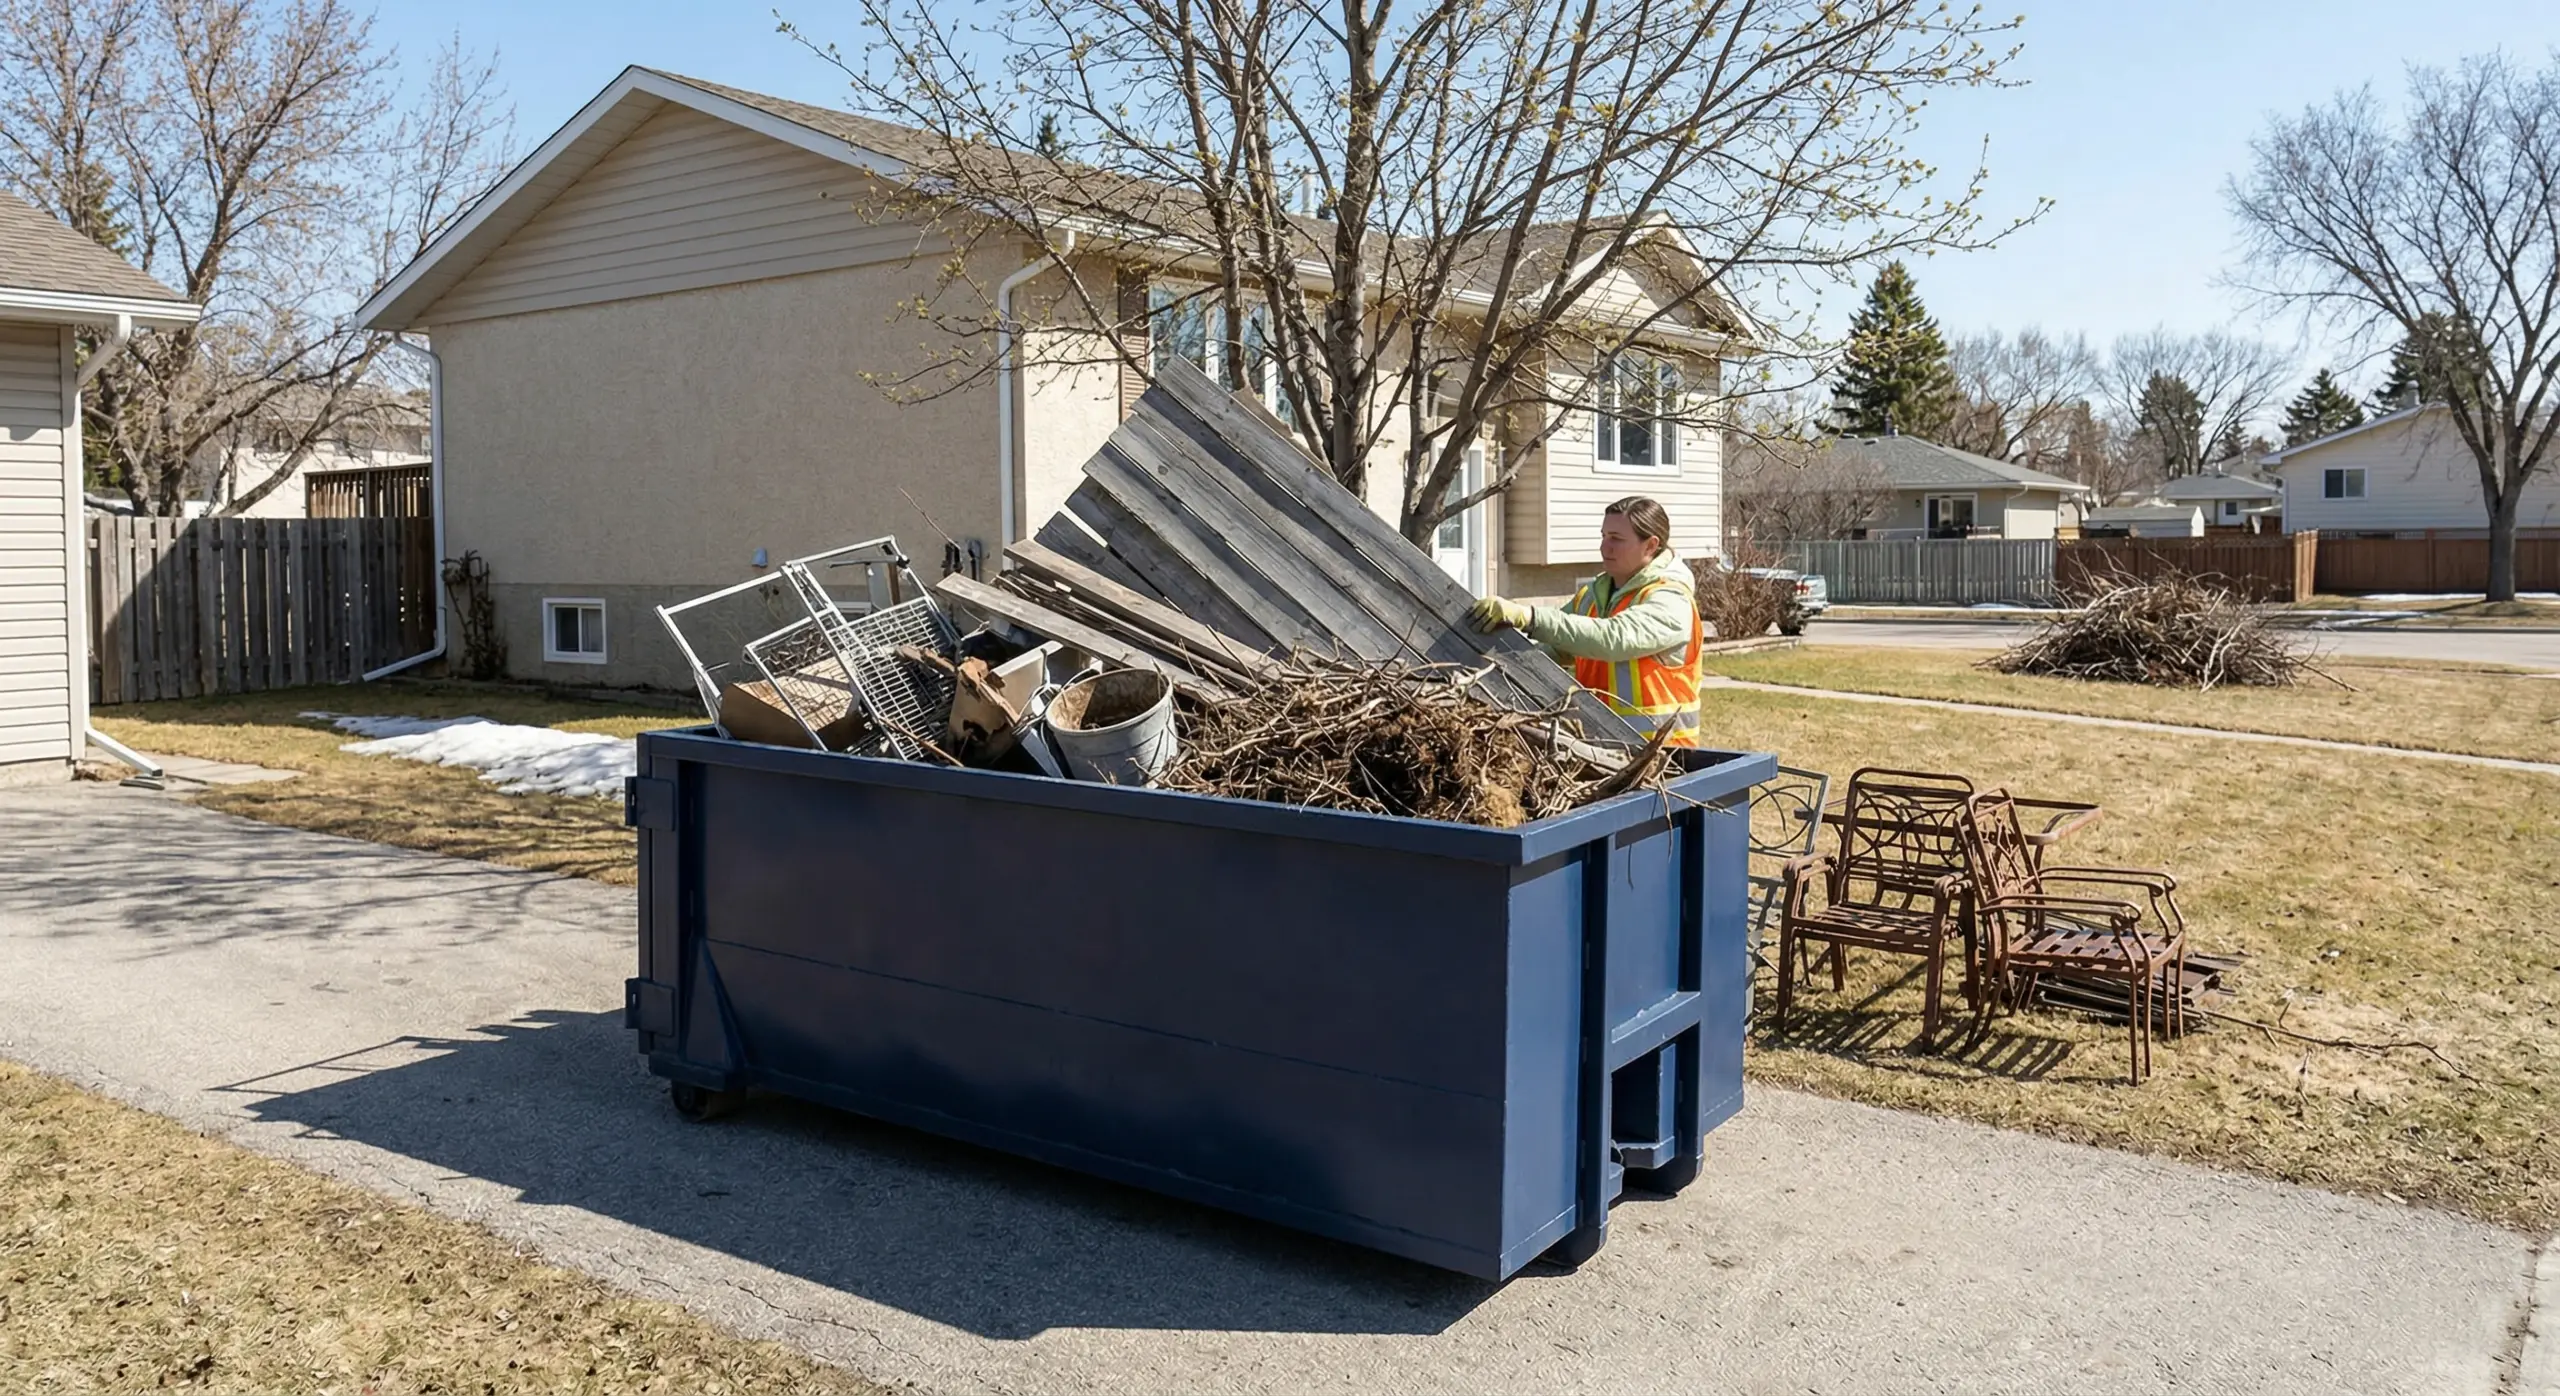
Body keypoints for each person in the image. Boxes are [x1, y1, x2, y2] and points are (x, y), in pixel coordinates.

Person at [1464, 495, 1703, 747]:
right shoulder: (1593, 595)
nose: (1605, 547)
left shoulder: (1670, 599)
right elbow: (1555, 649)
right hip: (1597, 747)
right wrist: (1493, 666)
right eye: (1604, 536)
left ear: (1650, 546)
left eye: (1617, 539)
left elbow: (1614, 639)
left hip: (1660, 757)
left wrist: (1528, 616)